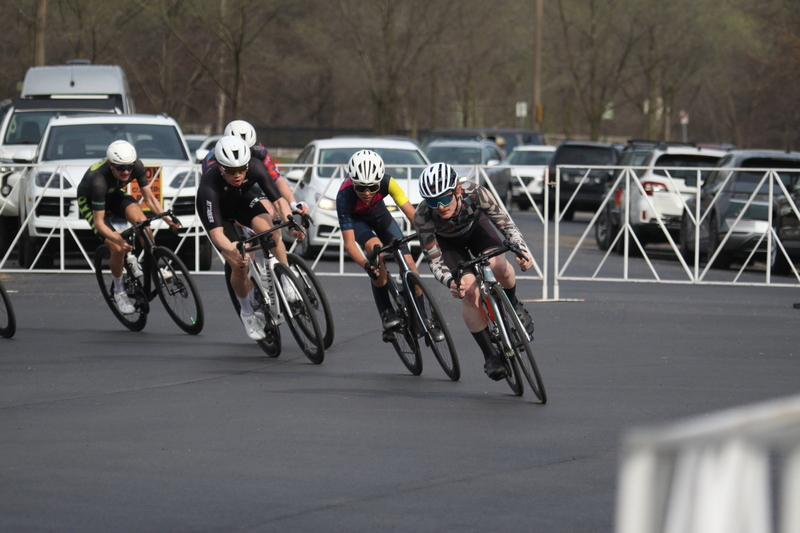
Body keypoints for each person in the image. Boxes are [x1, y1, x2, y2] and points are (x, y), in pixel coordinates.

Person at [414, 162, 535, 381]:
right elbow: (433, 260)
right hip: (451, 245)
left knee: (499, 266)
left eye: (444, 198)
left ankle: (513, 304)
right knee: (469, 291)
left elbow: (506, 225)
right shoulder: (423, 215)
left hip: (477, 229)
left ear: (457, 190)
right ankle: (490, 356)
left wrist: (522, 250)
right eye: (433, 201)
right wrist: (449, 280)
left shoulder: (477, 193)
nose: (440, 206)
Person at [196, 135, 304, 341]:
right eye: (230, 171)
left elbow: (278, 201)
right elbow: (217, 234)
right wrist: (232, 249)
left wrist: (290, 223)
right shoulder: (209, 184)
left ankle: (285, 278)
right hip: (220, 215)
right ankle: (247, 313)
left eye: (241, 169)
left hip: (242, 200)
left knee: (272, 231)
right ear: (220, 167)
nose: (237, 175)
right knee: (239, 265)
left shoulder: (254, 167)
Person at [77, 140, 180, 315]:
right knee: (117, 248)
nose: (126, 172)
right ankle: (118, 291)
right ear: (111, 165)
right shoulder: (98, 180)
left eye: (129, 167)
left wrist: (167, 218)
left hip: (114, 194)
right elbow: (99, 222)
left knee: (143, 223)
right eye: (120, 168)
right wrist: (118, 239)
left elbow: (149, 199)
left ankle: (150, 266)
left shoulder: (137, 166)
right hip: (90, 201)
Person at [336, 150, 430, 335]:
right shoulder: (344, 196)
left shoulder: (388, 182)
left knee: (410, 265)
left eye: (372, 187)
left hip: (379, 215)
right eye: (361, 188)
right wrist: (365, 265)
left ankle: (422, 315)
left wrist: (429, 238)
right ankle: (387, 312)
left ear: (380, 181)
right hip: (358, 221)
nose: (368, 192)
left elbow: (412, 215)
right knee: (375, 250)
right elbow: (349, 244)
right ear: (352, 182)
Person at [202, 120, 309, 217]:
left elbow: (277, 179)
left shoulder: (259, 150)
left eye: (248, 149)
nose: (243, 155)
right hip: (224, 192)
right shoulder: (215, 158)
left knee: (270, 212)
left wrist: (293, 204)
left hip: (247, 186)